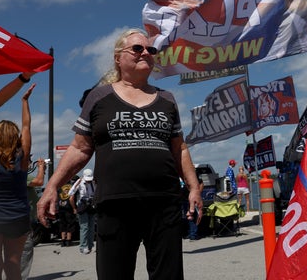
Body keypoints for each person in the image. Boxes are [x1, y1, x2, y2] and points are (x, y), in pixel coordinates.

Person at [36, 28, 203, 280]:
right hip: (115, 203)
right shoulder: (99, 97)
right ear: (118, 57)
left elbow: (179, 148)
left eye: (151, 49)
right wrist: (52, 185)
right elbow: (80, 148)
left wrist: (193, 188)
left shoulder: (166, 99)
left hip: (163, 203)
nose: (145, 53)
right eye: (137, 48)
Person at [0, 83, 35, 280]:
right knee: (13, 265)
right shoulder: (22, 158)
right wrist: (24, 101)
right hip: (18, 216)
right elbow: (26, 127)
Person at [20, 157, 46, 280]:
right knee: (25, 249)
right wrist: (41, 167)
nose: (31, 163)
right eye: (28, 159)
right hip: (21, 219)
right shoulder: (19, 175)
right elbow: (39, 181)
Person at [70, 168, 96, 254]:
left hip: (91, 205)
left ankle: (90, 245)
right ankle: (83, 246)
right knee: (84, 227)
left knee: (92, 227)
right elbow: (70, 194)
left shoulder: (93, 183)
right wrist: (76, 184)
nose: (89, 181)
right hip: (82, 206)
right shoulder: (79, 183)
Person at [57, 183, 77, 247]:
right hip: (69, 208)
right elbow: (71, 199)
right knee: (70, 224)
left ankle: (63, 241)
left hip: (61, 208)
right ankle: (68, 241)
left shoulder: (60, 186)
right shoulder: (72, 186)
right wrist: (74, 208)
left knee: (62, 224)